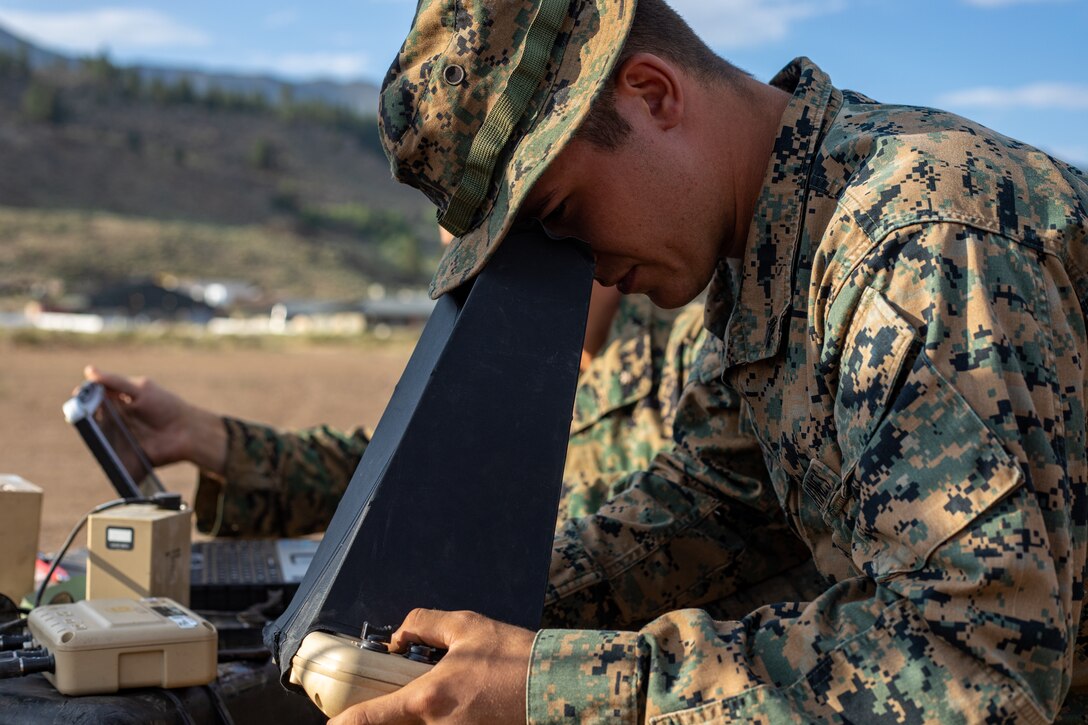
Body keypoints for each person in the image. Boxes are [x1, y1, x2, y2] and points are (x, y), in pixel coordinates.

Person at [325, 0, 1088, 721]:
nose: (580, 272)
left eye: (560, 215)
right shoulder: (763, 251)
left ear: (653, 95)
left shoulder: (917, 247)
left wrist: (553, 688)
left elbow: (978, 669)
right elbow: (717, 506)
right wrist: (479, 619)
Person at [84, 284, 713, 536]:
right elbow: (390, 468)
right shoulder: (506, 370)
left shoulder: (694, 356)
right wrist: (203, 435)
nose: (478, 276)